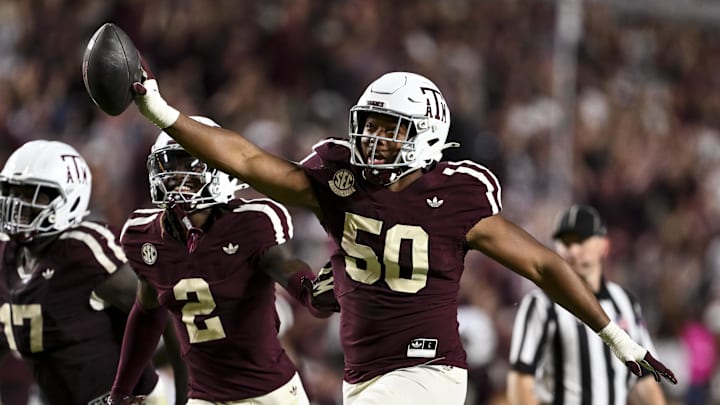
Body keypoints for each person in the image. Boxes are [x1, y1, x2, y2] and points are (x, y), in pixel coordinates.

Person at [121, 62, 676, 404]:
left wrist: (619, 340)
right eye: (370, 125)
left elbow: (543, 266)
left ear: (428, 134)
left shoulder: (457, 194)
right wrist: (162, 112)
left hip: (427, 367)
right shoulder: (337, 178)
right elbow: (244, 159)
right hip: (363, 370)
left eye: (391, 129)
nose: (374, 139)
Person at [109, 116, 336, 405]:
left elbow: (282, 265)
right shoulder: (145, 236)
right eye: (170, 166)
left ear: (220, 169)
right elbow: (147, 313)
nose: (176, 177)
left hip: (269, 394)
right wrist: (120, 392)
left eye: (188, 165)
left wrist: (310, 292)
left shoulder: (251, 223)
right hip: (206, 396)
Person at [0, 140, 181, 405]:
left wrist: (187, 394)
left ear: (68, 197)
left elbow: (169, 312)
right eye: (12, 192)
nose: (18, 205)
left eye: (31, 195)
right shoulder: (7, 254)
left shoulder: (84, 251)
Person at [507, 205, 668, 405]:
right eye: (565, 242)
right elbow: (521, 379)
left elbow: (643, 383)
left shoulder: (626, 302)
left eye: (581, 241)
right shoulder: (540, 304)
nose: (573, 250)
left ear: (605, 245)